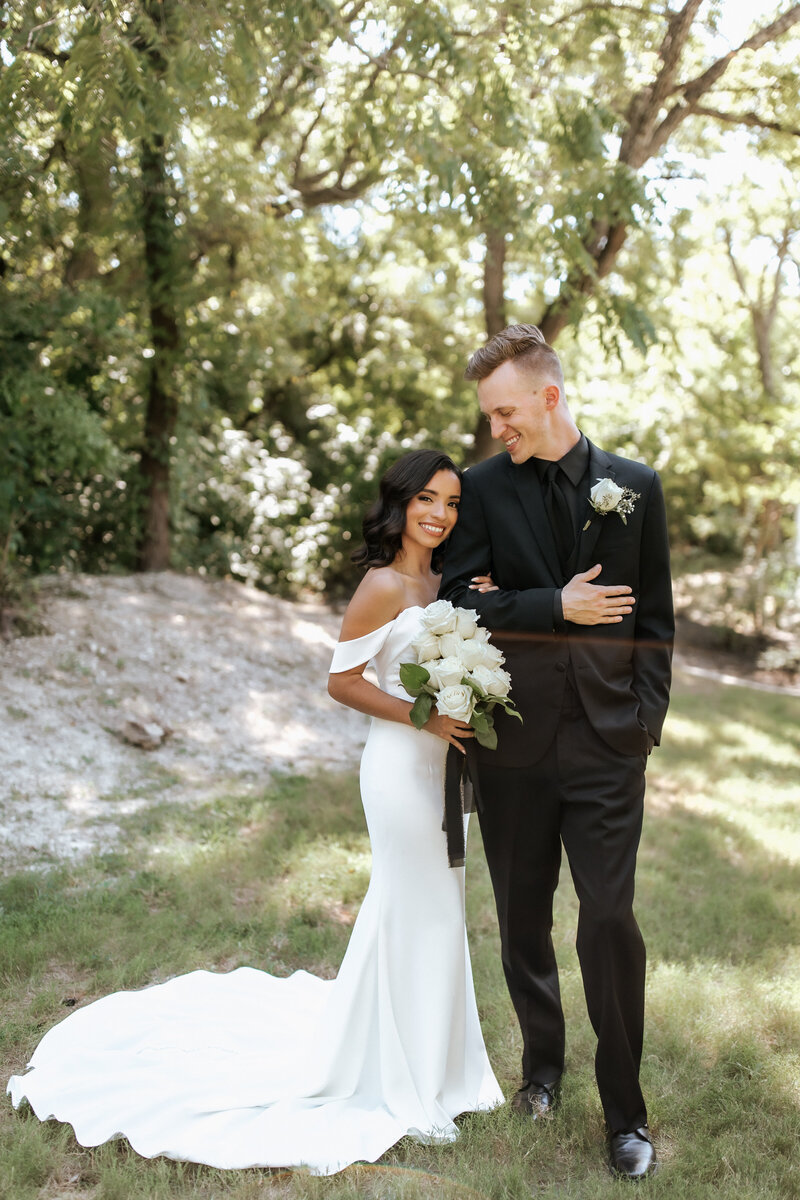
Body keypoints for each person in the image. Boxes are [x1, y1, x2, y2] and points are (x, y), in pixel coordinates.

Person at [7, 449, 503, 1176]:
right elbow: (341, 682)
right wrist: (421, 719)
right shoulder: (382, 584)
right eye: (428, 499)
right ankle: (392, 1072)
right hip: (400, 766)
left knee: (439, 906)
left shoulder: (442, 577)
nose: (440, 514)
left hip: (444, 765)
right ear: (399, 503)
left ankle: (441, 1065)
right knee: (409, 901)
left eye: (452, 503)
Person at [439, 325, 674, 1181]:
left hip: (611, 745)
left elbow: (655, 622)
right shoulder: (479, 489)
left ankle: (626, 1114)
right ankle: (542, 1070)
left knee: (609, 921)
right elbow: (458, 600)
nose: (496, 427)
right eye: (488, 415)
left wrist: (644, 721)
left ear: (548, 396)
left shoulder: (636, 488)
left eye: (505, 411)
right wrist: (550, 605)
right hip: (513, 741)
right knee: (523, 917)